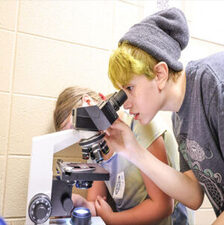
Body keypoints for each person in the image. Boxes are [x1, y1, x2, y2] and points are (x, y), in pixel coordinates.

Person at [106, 6, 224, 225]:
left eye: (130, 89)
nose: (126, 103)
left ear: (160, 74)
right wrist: (133, 150)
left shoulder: (214, 83)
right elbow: (193, 195)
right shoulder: (179, 118)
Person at [54, 86, 189, 225]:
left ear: (87, 102)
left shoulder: (139, 123)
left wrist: (111, 219)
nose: (80, 139)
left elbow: (162, 207)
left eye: (75, 128)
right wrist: (81, 203)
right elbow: (97, 204)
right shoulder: (95, 142)